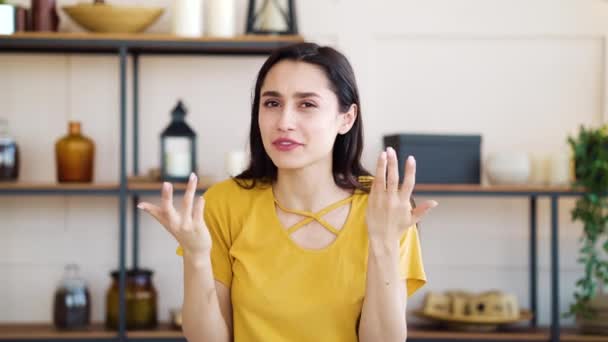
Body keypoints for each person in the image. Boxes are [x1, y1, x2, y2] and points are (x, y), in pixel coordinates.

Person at [137, 42, 438, 342]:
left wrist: (384, 243)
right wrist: (197, 256)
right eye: (272, 104)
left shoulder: (384, 207)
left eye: (306, 104)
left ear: (346, 118)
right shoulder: (224, 204)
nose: (284, 122)